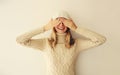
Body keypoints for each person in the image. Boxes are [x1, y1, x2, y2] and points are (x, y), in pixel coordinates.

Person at [16, 11, 106, 75]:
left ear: (69, 24)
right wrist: (45, 27)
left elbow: (101, 40)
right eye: (58, 21)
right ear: (53, 24)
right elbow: (20, 40)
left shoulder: (76, 44)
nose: (61, 24)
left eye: (64, 22)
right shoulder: (45, 43)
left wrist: (75, 28)